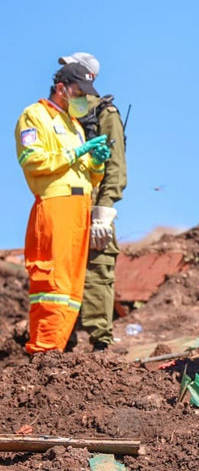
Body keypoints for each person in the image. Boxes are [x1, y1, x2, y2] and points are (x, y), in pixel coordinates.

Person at [15, 63, 111, 353]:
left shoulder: (75, 124)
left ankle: (56, 347)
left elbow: (88, 175)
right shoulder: (34, 115)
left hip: (80, 208)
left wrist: (96, 163)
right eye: (79, 92)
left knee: (71, 288)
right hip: (55, 205)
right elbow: (32, 160)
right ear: (61, 88)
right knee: (52, 281)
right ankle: (43, 350)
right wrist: (75, 152)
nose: (82, 99)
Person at [60, 52, 128, 351]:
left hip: (96, 204)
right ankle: (64, 338)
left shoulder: (104, 114)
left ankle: (100, 344)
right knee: (63, 271)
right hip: (65, 205)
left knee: (98, 268)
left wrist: (104, 211)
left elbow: (115, 166)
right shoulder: (62, 115)